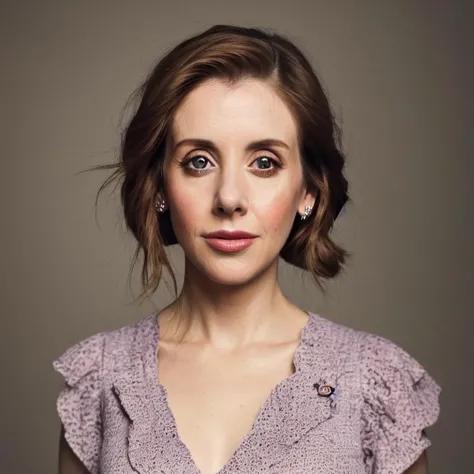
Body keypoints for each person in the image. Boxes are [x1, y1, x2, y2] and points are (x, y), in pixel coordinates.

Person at [53, 24, 441, 474]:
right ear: (160, 184)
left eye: (264, 163)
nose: (229, 197)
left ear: (308, 190)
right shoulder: (100, 379)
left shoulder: (374, 383)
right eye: (199, 161)